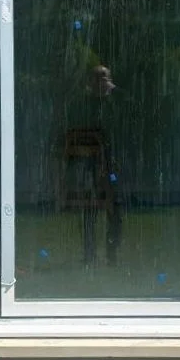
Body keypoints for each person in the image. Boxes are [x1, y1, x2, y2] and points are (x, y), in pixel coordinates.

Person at [62, 64, 123, 267]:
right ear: (92, 83)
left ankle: (112, 254)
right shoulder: (83, 105)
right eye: (100, 79)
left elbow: (118, 131)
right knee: (90, 209)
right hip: (89, 165)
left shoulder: (114, 103)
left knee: (115, 208)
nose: (105, 83)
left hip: (111, 165)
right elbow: (77, 133)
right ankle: (89, 254)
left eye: (106, 78)